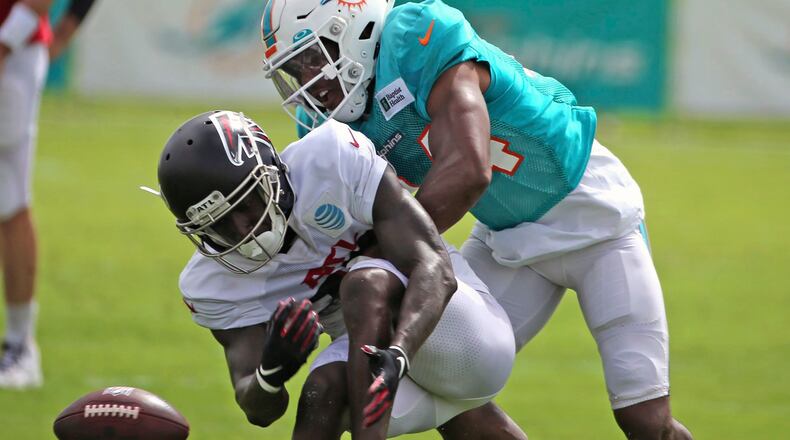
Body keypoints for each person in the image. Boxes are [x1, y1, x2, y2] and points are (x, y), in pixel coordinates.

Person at [260, 0, 693, 438]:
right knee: (450, 385)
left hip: (595, 218)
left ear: (352, 26)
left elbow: (468, 170)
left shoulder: (415, 36)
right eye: (295, 70)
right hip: (505, 242)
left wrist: (377, 253)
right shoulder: (329, 127)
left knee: (644, 420)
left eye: (313, 58)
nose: (308, 83)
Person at [154, 110, 522, 439]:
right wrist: (271, 371)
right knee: (321, 394)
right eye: (219, 226)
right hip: (376, 360)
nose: (243, 228)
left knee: (364, 283)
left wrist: (397, 356)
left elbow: (434, 267)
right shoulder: (211, 284)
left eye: (248, 202)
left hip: (458, 327)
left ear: (272, 171)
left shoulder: (330, 159)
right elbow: (258, 410)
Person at [0, 0, 94, 390]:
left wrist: (3, 47)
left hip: (13, 48)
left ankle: (21, 345)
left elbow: (37, 3)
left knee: (9, 198)